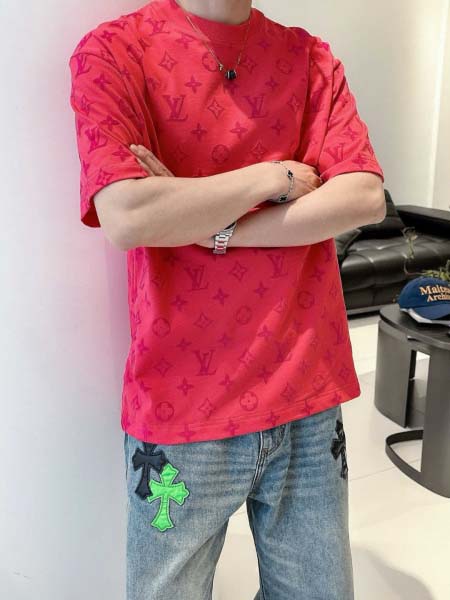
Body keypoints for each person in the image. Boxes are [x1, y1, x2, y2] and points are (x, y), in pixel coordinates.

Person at [68, 1, 385, 598]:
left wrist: (209, 225)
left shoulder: (310, 57)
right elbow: (129, 216)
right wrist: (275, 178)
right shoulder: (114, 51)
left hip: (307, 392)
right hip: (182, 407)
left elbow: (363, 196)